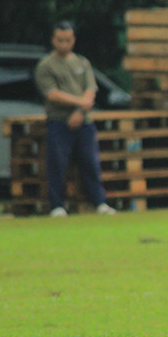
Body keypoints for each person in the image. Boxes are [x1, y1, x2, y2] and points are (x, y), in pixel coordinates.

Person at [34, 21, 116, 217]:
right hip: (59, 121)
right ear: (53, 40)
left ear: (74, 40)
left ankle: (100, 203)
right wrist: (80, 102)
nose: (64, 44)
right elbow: (52, 94)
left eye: (68, 40)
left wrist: (80, 110)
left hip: (84, 121)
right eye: (60, 40)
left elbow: (91, 89)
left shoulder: (82, 62)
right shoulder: (46, 65)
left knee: (90, 162)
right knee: (57, 164)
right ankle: (57, 206)